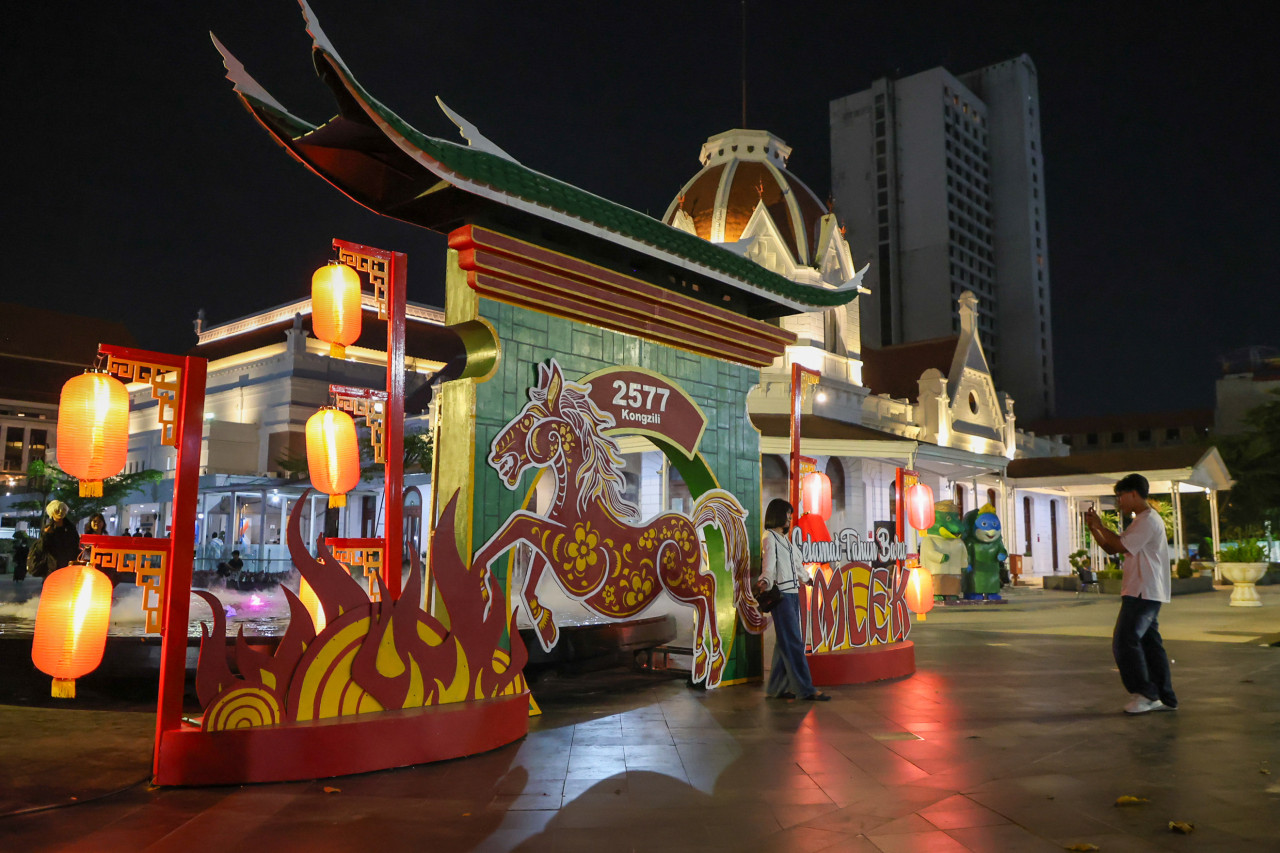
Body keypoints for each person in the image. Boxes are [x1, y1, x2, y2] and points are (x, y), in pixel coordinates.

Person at [1085, 473, 1177, 715]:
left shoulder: (1147, 520)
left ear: (1133, 493)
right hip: (1142, 591)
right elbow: (1110, 547)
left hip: (1143, 592)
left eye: (1120, 496)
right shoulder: (1141, 521)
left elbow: (1118, 545)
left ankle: (1146, 693)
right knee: (1149, 643)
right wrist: (1095, 528)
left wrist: (1100, 525)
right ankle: (1164, 695)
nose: (1119, 502)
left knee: (1125, 641)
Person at [755, 498, 830, 702]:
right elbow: (768, 566)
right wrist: (765, 581)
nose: (790, 517)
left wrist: (808, 579)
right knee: (794, 642)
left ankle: (776, 689)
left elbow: (797, 565)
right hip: (782, 597)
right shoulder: (769, 538)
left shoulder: (784, 539)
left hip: (793, 594)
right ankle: (806, 689)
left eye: (790, 514)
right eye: (787, 513)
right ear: (777, 515)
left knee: (785, 642)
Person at [36, 501, 81, 576]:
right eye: (57, 510)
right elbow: (42, 548)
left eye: (63, 509)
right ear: (51, 512)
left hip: (68, 567)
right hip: (51, 567)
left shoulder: (70, 528)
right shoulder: (47, 529)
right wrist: (46, 534)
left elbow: (75, 545)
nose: (60, 512)